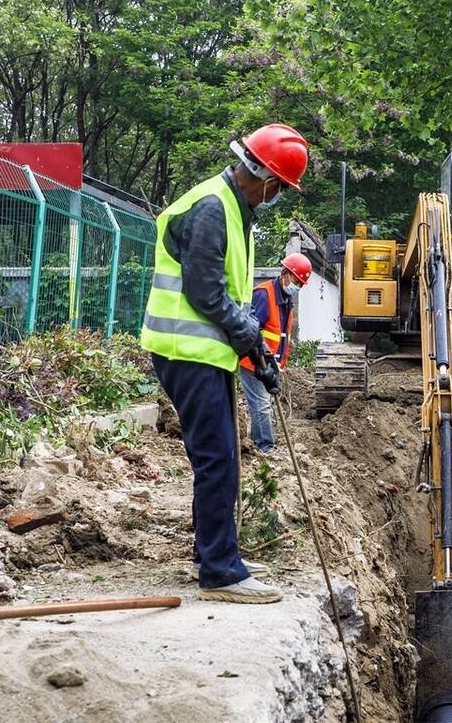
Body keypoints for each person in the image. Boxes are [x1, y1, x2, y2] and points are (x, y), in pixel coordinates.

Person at [141, 123, 308, 604]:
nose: (277, 195)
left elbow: (226, 293)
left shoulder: (232, 208)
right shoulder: (215, 208)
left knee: (219, 456)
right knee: (218, 459)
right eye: (281, 189)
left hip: (202, 352)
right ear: (271, 182)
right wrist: (247, 332)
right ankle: (219, 571)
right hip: (186, 350)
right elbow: (205, 291)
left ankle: (215, 553)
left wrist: (254, 348)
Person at [238, 253, 312, 453]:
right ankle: (266, 447)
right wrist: (264, 360)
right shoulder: (264, 294)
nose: (297, 286)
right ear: (285, 274)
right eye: (296, 281)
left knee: (263, 407)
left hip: (269, 365)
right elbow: (252, 330)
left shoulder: (286, 300)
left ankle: (255, 444)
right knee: (262, 406)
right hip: (253, 363)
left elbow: (278, 332)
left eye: (300, 284)